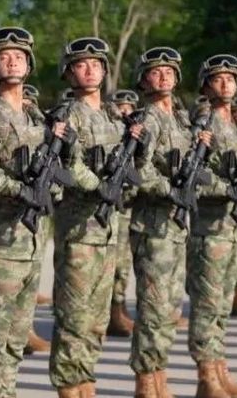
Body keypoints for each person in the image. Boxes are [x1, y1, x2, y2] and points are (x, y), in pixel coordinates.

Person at [0, 27, 69, 397]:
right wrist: (20, 189)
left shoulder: (36, 117)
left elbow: (56, 175)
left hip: (31, 240)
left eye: (19, 57)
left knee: (16, 337)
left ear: (29, 66)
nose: (12, 62)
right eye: (4, 57)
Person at [49, 37, 138, 397]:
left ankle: (85, 380)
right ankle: (69, 386)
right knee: (74, 316)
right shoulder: (66, 115)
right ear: (68, 73)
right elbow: (66, 167)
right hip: (79, 230)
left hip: (107, 230)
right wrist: (101, 187)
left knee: (98, 318)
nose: (89, 70)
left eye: (96, 64)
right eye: (81, 65)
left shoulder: (113, 117)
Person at [127, 47, 212, 397]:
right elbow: (138, 171)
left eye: (169, 72)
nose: (163, 77)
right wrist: (170, 188)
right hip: (153, 226)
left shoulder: (180, 119)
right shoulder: (146, 120)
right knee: (153, 307)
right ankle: (147, 381)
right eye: (155, 72)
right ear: (143, 80)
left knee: (170, 307)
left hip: (175, 227)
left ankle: (159, 375)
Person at [187, 54, 237, 397]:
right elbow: (195, 177)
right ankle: (206, 377)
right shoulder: (203, 127)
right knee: (207, 305)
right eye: (218, 79)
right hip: (209, 229)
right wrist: (227, 188)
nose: (226, 83)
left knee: (224, 305)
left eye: (230, 78)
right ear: (206, 86)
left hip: (231, 227)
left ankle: (220, 368)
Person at [105, 89, 139, 338]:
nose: (125, 111)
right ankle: (111, 310)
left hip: (129, 208)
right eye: (120, 107)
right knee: (110, 264)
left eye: (129, 107)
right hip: (109, 208)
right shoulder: (111, 132)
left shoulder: (136, 134)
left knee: (124, 264)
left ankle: (119, 306)